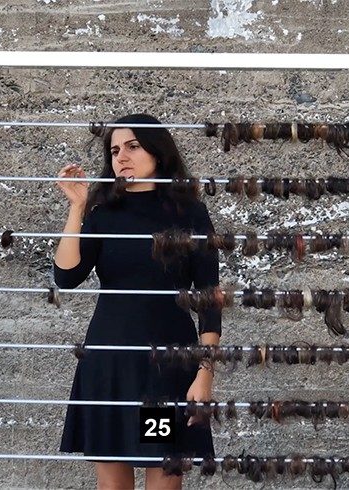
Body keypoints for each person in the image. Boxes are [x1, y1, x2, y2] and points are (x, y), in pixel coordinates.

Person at [53, 114, 222, 489]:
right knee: (112, 483)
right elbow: (65, 276)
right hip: (109, 367)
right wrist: (78, 208)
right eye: (114, 150)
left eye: (132, 146)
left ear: (157, 151)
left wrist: (205, 374)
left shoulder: (188, 212)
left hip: (160, 375)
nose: (121, 157)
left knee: (163, 475)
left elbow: (210, 300)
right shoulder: (103, 213)